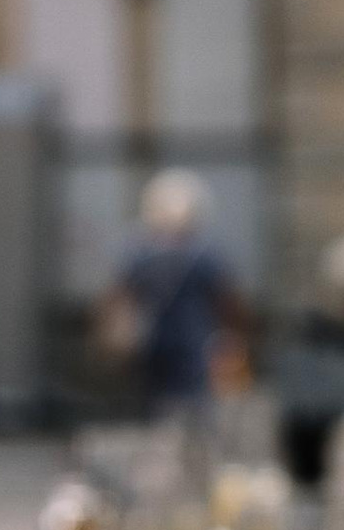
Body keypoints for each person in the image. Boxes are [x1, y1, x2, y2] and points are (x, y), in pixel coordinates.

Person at [100, 170, 247, 413]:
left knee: (154, 402)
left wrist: (111, 336)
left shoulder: (138, 249)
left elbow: (116, 296)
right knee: (195, 403)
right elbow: (226, 300)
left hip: (151, 342)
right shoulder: (204, 251)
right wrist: (237, 335)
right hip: (193, 341)